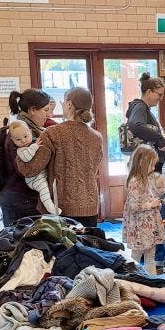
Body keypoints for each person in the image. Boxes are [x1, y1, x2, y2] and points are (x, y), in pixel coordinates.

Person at [18, 87, 104, 227]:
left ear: (69, 104)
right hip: (90, 206)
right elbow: (92, 170)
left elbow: (31, 169)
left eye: (63, 102)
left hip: (59, 208)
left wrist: (20, 152)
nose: (62, 105)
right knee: (88, 242)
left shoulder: (52, 133)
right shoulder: (97, 137)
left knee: (63, 242)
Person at [0, 89, 56, 226]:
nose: (49, 115)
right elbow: (25, 169)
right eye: (46, 110)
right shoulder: (18, 132)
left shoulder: (33, 130)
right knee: (24, 239)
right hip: (20, 198)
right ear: (32, 110)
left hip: (24, 197)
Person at [122, 145, 165, 274]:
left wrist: (156, 203)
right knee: (136, 255)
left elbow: (148, 198)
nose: (153, 168)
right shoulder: (134, 181)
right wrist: (151, 204)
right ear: (142, 162)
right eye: (151, 165)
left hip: (148, 226)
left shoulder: (145, 179)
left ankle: (151, 280)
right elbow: (134, 205)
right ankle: (131, 277)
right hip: (139, 227)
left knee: (150, 256)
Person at [7, 120, 59, 215]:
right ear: (13, 140)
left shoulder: (34, 142)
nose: (23, 141)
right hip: (34, 180)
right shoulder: (20, 150)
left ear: (30, 132)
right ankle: (50, 207)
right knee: (44, 190)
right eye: (18, 139)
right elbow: (27, 157)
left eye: (25, 136)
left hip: (40, 175)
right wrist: (35, 146)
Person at [126, 73, 165, 173]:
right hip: (146, 165)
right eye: (159, 94)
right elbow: (135, 125)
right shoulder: (140, 107)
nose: (161, 98)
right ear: (149, 92)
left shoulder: (143, 108)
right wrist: (160, 140)